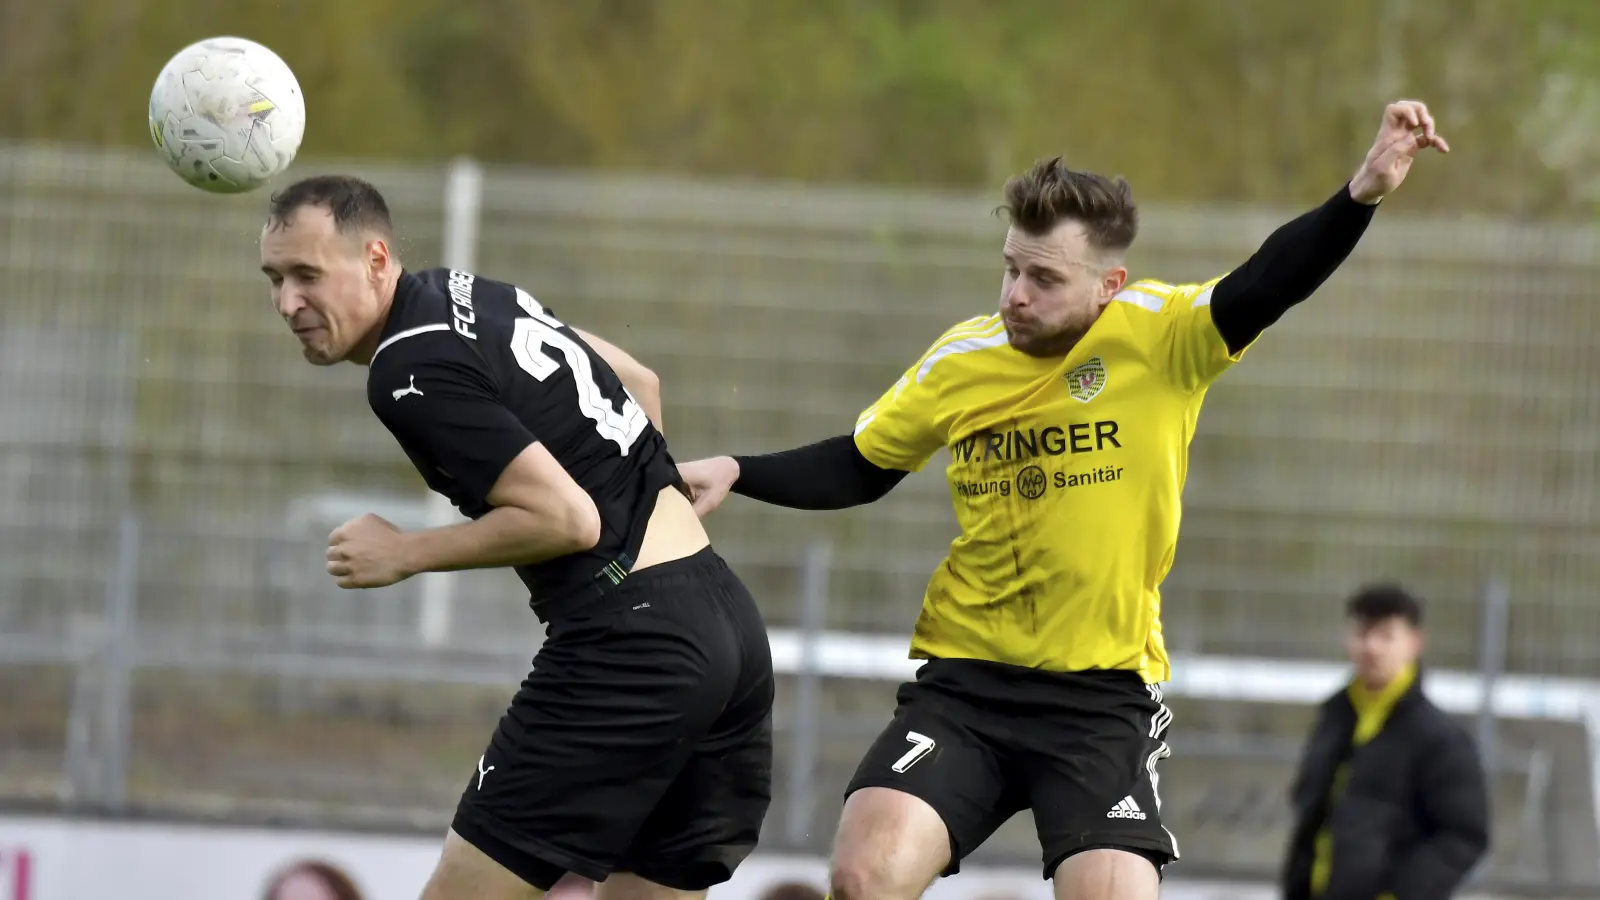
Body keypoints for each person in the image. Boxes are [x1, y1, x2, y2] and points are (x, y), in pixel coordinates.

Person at [678, 100, 1450, 900]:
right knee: (861, 876)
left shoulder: (1163, 337)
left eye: (1044, 278)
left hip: (1102, 699)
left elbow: (1270, 280)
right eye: (1011, 267)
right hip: (968, 688)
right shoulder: (963, 359)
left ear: (1108, 285)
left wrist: (1362, 191)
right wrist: (740, 469)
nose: (1016, 293)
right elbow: (863, 465)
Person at [257, 176, 774, 900]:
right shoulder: (470, 294)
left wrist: (405, 552)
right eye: (275, 279)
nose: (288, 303)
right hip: (725, 622)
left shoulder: (406, 368)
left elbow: (568, 520)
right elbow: (639, 380)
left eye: (308, 275)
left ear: (376, 259)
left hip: (633, 649)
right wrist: (644, 493)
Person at [1281, 584, 1490, 900]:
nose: (1371, 647)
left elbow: (1463, 836)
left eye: (1385, 636)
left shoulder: (1440, 738)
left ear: (1414, 643)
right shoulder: (1334, 718)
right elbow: (1310, 813)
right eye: (1362, 633)